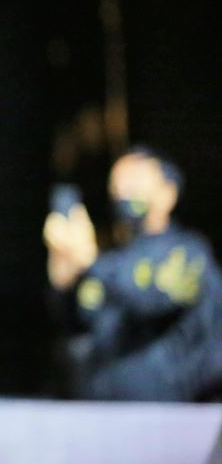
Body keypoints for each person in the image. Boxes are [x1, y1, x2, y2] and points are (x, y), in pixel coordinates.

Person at [44, 145, 222, 401]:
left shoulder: (189, 253)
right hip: (100, 411)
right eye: (117, 184)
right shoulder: (112, 260)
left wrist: (88, 260)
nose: (124, 192)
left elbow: (149, 300)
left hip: (171, 414)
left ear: (168, 192)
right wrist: (64, 276)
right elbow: (77, 324)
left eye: (134, 181)